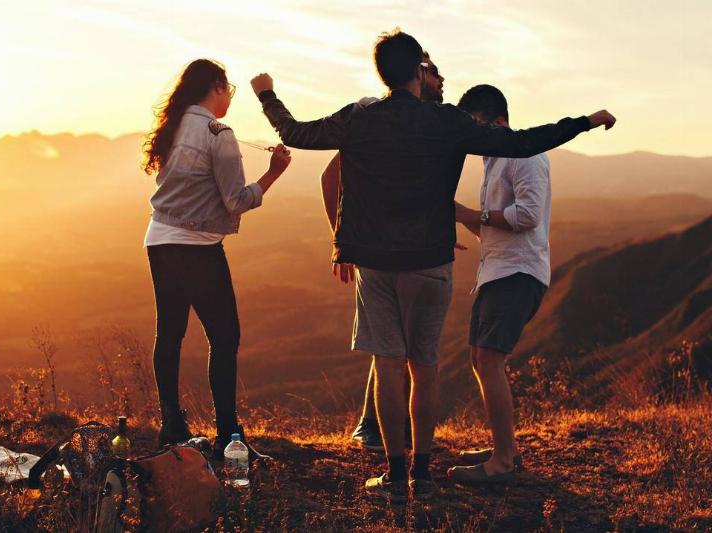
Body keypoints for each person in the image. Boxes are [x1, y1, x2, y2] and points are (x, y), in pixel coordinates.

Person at [251, 29, 615, 504]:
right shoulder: (447, 121)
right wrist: (584, 121)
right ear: (418, 72)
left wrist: (267, 95)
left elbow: (296, 133)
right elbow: (524, 142)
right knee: (425, 368)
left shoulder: (359, 118)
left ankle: (395, 475)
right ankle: (422, 473)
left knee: (388, 366)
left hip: (376, 262)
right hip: (430, 260)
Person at [142, 59, 292, 460]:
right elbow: (236, 201)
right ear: (216, 87)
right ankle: (229, 437)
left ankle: (172, 426)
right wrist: (274, 172)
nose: (229, 99)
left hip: (159, 239)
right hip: (197, 246)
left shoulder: (173, 126)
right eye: (229, 91)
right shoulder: (219, 134)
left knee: (169, 333)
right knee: (225, 338)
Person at [320, 52, 448, 452]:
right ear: (416, 74)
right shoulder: (375, 117)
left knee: (397, 348)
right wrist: (343, 240)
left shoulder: (424, 123)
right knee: (393, 350)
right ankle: (375, 429)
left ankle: (386, 431)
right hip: (380, 252)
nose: (441, 80)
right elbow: (330, 177)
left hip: (410, 249)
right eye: (434, 72)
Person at [448, 85, 555, 484]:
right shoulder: (494, 160)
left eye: (474, 127)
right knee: (480, 359)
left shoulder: (524, 154)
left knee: (489, 359)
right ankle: (503, 447)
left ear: (497, 122)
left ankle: (503, 463)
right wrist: (464, 219)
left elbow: (527, 215)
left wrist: (472, 213)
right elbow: (495, 225)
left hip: (518, 273)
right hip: (497, 271)